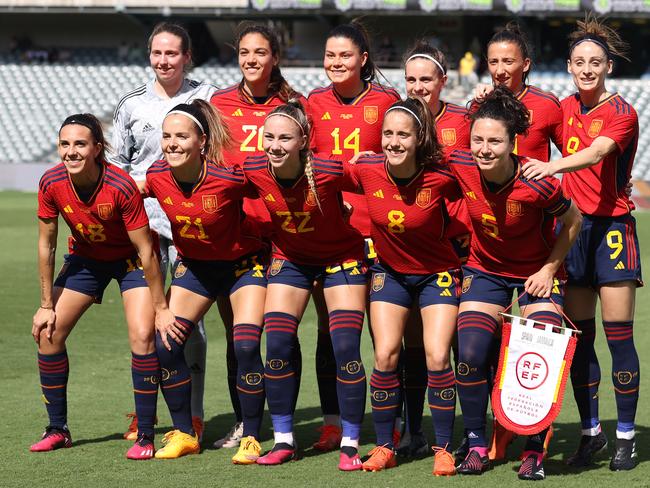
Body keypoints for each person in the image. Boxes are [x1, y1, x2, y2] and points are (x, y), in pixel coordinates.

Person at [522, 15, 641, 472]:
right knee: (581, 341)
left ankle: (626, 437)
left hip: (612, 233)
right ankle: (590, 434)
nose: (587, 69)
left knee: (619, 339)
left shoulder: (621, 113)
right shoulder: (562, 107)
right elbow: (525, 125)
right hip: (572, 232)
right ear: (569, 67)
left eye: (595, 62)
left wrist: (553, 168)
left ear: (607, 66)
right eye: (579, 62)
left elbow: (597, 153)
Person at [448, 86, 583, 480]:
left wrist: (547, 269)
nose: (484, 148)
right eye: (478, 140)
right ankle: (476, 443)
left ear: (512, 143)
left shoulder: (537, 181)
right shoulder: (460, 163)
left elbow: (574, 221)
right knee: (470, 353)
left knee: (542, 349)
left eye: (494, 141)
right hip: (484, 270)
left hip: (536, 274)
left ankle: (533, 449)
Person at [31, 114, 174, 461]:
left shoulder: (120, 185)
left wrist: (160, 307)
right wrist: (46, 303)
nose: (71, 151)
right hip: (86, 260)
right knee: (48, 334)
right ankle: (57, 430)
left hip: (130, 262)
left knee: (142, 336)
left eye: (80, 144)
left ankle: (145, 434)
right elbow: (46, 245)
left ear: (97, 148)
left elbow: (145, 250)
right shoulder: (51, 182)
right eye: (65, 144)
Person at [243, 100, 368, 470]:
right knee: (278, 343)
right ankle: (283, 440)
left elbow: (376, 180)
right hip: (291, 260)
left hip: (342, 260)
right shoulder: (253, 167)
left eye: (285, 137)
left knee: (345, 347)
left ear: (304, 140)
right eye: (269, 137)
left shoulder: (329, 170)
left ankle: (350, 440)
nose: (275, 145)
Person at [145, 100, 268, 462]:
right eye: (166, 136)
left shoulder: (229, 177)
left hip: (243, 267)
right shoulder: (156, 176)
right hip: (196, 268)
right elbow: (126, 193)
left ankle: (251, 434)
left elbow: (273, 191)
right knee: (166, 342)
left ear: (201, 141)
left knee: (245, 346)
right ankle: (184, 433)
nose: (172, 143)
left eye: (181, 136)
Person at [111, 22, 215, 442]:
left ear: (187, 56)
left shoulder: (206, 98)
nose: (164, 60)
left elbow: (220, 154)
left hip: (194, 224)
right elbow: (118, 165)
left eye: (173, 53)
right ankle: (146, 414)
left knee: (187, 324)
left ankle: (193, 413)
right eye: (158, 53)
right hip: (144, 226)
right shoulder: (132, 104)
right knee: (147, 322)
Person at [349, 97, 461, 476]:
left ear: (420, 138)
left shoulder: (444, 177)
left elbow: (481, 196)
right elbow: (324, 177)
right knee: (385, 356)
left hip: (438, 273)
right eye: (388, 133)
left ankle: (443, 448)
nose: (393, 142)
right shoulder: (366, 167)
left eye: (402, 135)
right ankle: (385, 447)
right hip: (390, 273)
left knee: (436, 357)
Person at [210, 23, 309, 448]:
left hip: (284, 234)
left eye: (260, 52)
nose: (251, 60)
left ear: (275, 58)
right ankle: (244, 419)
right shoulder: (218, 103)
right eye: (244, 52)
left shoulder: (294, 104)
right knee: (241, 334)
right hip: (236, 235)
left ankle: (286, 419)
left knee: (283, 331)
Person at [472, 22, 564, 461]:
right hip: (489, 244)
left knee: (538, 345)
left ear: (525, 64)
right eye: (494, 61)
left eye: (509, 60)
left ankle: (532, 438)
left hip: (537, 233)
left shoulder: (548, 106)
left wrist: (552, 180)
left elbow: (571, 152)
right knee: (478, 346)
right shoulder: (478, 106)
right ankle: (494, 429)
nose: (501, 69)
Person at [307, 20, 400, 451]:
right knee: (332, 332)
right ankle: (334, 423)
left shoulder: (386, 100)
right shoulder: (313, 102)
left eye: (345, 55)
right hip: (331, 227)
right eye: (330, 55)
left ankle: (392, 419)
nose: (336, 62)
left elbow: (407, 152)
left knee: (385, 333)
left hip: (378, 226)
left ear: (363, 59)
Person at [399, 40, 472, 457]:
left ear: (443, 81)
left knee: (463, 343)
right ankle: (413, 430)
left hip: (459, 247)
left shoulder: (463, 120)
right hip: (409, 251)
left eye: (426, 79)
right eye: (411, 79)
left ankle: (472, 429)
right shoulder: (398, 118)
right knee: (411, 345)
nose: (418, 87)